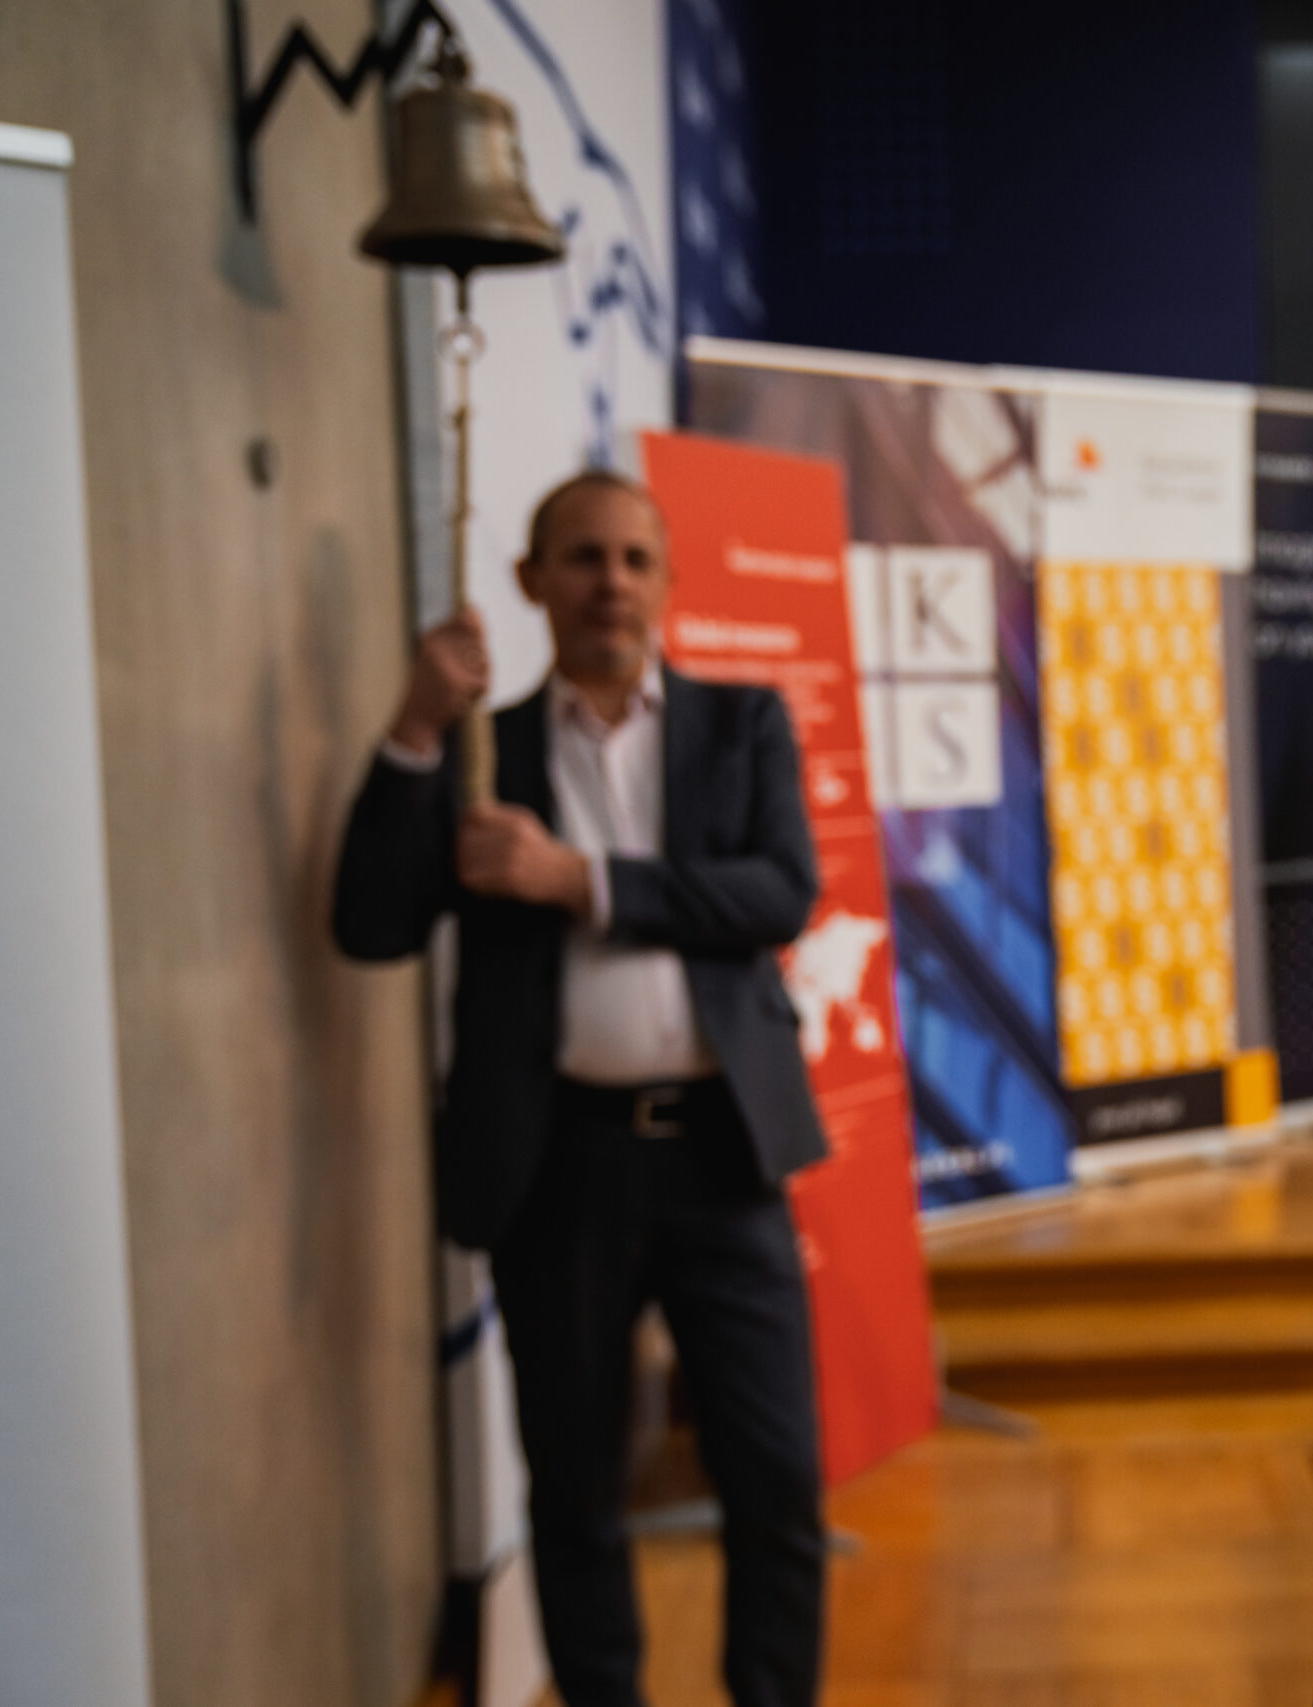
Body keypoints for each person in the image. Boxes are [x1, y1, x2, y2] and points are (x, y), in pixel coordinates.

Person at [333, 472, 826, 1707]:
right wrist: (414, 729)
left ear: (666, 583)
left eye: (633, 560)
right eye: (582, 557)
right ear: (531, 580)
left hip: (724, 1155)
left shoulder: (742, 725)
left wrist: (580, 880)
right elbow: (369, 924)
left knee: (775, 1477)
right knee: (574, 1492)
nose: (611, 582)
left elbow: (778, 894)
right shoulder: (483, 754)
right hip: (557, 1167)